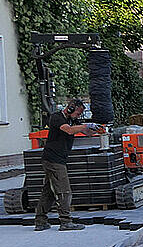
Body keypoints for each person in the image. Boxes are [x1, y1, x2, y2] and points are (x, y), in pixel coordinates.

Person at [33, 98, 97, 231]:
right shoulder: (56, 118)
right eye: (78, 113)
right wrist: (85, 126)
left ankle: (40, 221)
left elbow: (86, 132)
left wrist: (96, 129)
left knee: (49, 192)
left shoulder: (72, 120)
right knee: (64, 190)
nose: (78, 116)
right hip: (53, 160)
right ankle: (65, 221)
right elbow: (68, 130)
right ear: (70, 108)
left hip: (57, 159)